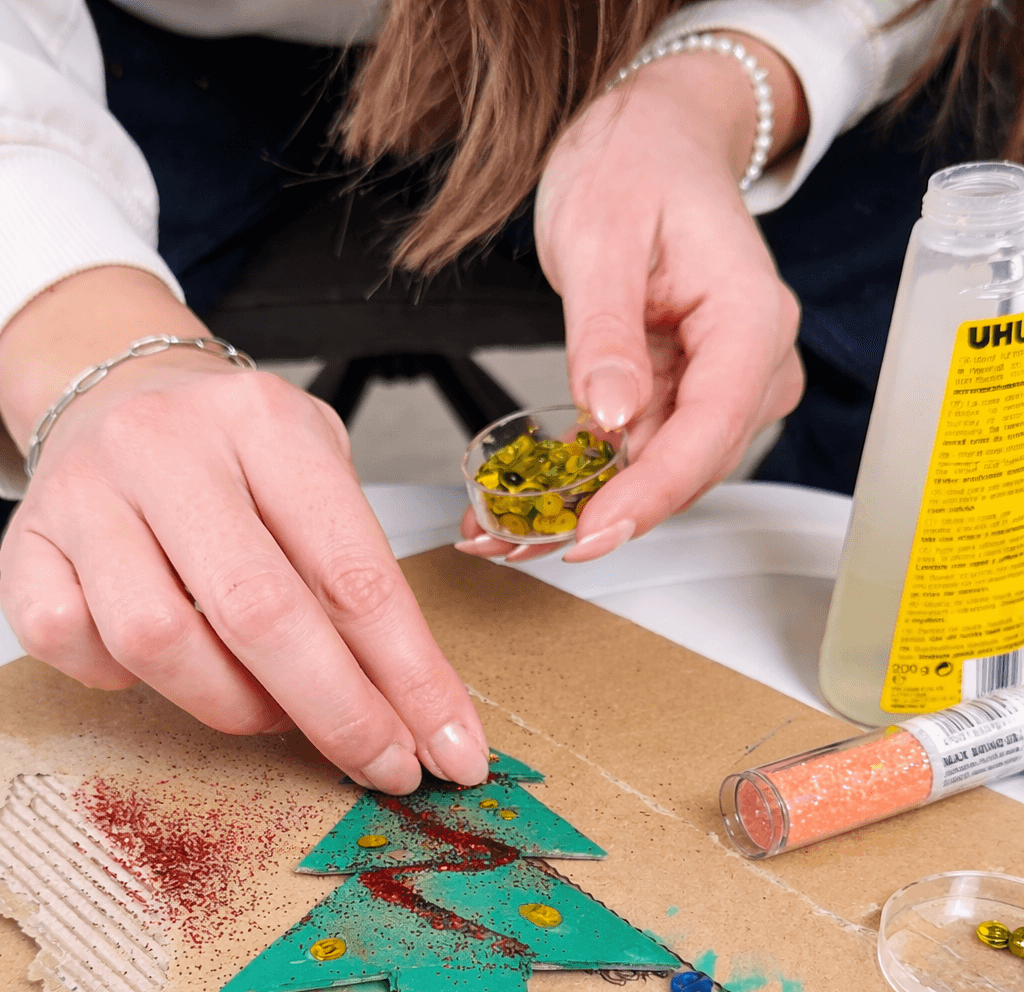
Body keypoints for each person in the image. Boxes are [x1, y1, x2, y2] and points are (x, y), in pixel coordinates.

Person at [0, 0, 953, 796]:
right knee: (90, 533)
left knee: (920, 362)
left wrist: (728, 80)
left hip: (654, 32)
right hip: (151, 48)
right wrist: (87, 339)